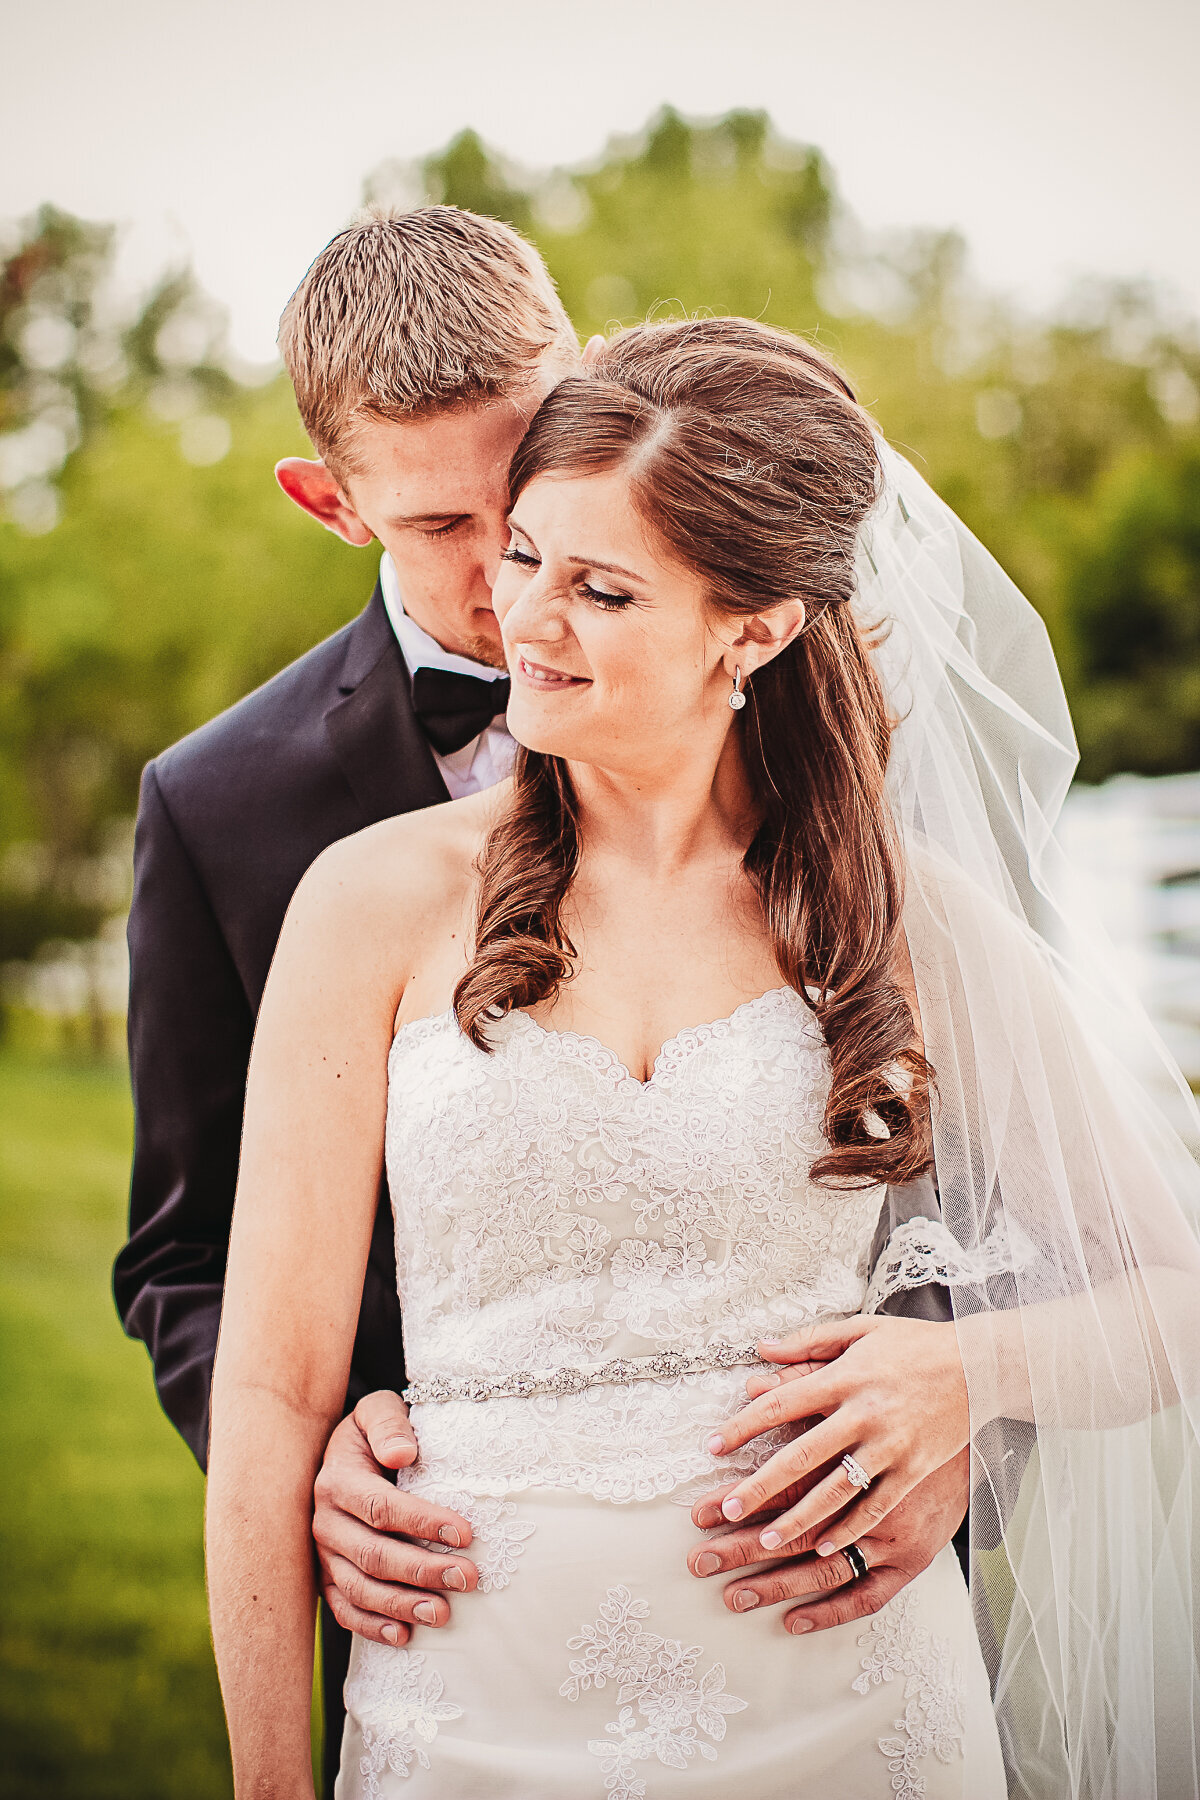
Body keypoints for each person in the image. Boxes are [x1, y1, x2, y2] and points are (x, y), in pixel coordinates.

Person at [113, 211, 969, 1794]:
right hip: (464, 1609)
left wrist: (951, 1407)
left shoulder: (835, 732)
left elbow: (1004, 1177)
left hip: (830, 1612)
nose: (520, 588)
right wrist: (315, 1459)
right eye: (459, 530)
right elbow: (185, 1250)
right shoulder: (229, 807)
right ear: (331, 499)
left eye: (539, 492)